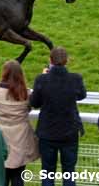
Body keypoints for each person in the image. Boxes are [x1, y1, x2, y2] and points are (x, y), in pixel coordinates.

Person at [30, 46, 86, 186]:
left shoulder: (42, 80)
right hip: (69, 133)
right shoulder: (75, 79)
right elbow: (81, 95)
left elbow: (34, 102)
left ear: (50, 61)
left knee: (48, 173)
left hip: (47, 134)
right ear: (67, 61)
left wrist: (42, 78)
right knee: (69, 172)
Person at [0, 60, 39, 186]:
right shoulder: (25, 93)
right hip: (20, 138)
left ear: (4, 73)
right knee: (18, 176)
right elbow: (29, 108)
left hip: (0, 139)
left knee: (1, 178)